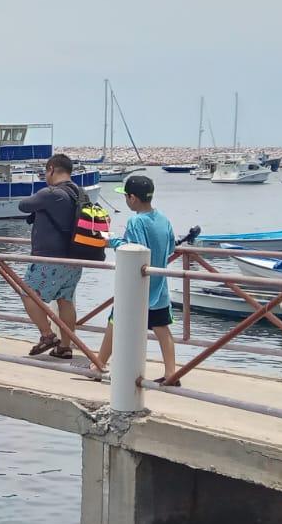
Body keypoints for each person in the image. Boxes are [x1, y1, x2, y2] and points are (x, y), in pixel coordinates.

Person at [96, 175, 179, 383]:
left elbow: (135, 249)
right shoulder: (164, 219)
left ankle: (98, 364)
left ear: (133, 198)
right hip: (159, 285)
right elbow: (171, 248)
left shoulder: (135, 221)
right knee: (162, 327)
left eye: (126, 196)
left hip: (136, 286)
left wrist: (112, 241)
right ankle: (171, 373)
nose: (125, 200)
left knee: (115, 322)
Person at [18, 153, 84, 359]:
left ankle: (47, 335)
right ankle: (65, 347)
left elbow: (23, 205)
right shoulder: (79, 193)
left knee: (28, 293)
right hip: (74, 257)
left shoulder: (51, 193)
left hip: (48, 258)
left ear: (51, 169)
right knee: (65, 300)